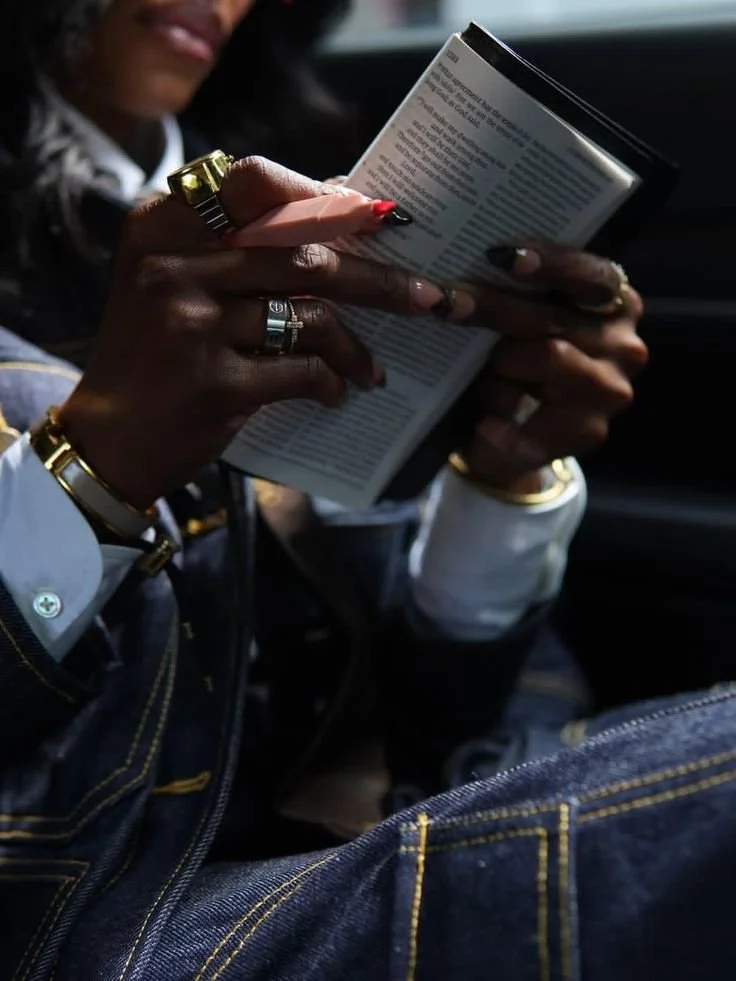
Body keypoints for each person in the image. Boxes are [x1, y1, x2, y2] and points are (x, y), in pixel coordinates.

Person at [4, 1, 724, 979]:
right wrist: (97, 464)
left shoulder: (289, 213)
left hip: (374, 823)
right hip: (107, 916)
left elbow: (436, 713)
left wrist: (499, 472)